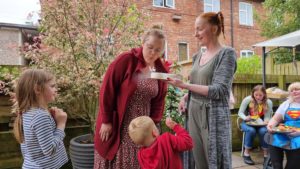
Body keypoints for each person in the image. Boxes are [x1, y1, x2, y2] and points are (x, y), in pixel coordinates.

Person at [167, 11, 236, 169]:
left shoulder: (227, 54)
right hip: (193, 113)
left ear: (213, 29)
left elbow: (219, 90)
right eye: (195, 29)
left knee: (214, 161)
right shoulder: (198, 56)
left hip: (212, 115)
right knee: (196, 161)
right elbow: (199, 85)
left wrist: (184, 85)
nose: (195, 34)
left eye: (199, 29)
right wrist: (185, 97)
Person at [93, 27, 169, 169]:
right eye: (150, 47)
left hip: (142, 130)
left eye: (158, 50)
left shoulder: (159, 71)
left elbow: (159, 101)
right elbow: (107, 89)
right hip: (121, 125)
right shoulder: (126, 60)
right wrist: (106, 121)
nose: (153, 53)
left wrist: (153, 124)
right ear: (143, 43)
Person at [13, 69, 68, 169]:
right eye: (52, 86)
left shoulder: (27, 112)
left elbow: (29, 148)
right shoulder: (40, 116)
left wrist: (53, 121)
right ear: (38, 89)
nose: (56, 89)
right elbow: (49, 150)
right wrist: (61, 124)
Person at [128, 116, 193, 169]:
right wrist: (175, 127)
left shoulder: (141, 156)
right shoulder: (167, 139)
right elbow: (188, 142)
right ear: (154, 132)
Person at [265, 82, 300, 169]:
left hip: (298, 134)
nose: (294, 92)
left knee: (293, 163)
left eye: (297, 89)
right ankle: (276, 165)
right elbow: (276, 119)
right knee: (271, 136)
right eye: (292, 90)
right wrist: (270, 125)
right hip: (286, 131)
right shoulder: (286, 104)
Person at [238, 85, 273, 165]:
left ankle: (266, 156)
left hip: (261, 124)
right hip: (247, 122)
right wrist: (245, 117)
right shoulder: (247, 100)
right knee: (251, 131)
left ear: (264, 94)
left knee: (264, 131)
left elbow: (267, 116)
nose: (258, 97)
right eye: (256, 94)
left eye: (260, 95)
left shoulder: (268, 102)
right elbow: (240, 112)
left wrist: (266, 121)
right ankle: (246, 154)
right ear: (253, 93)